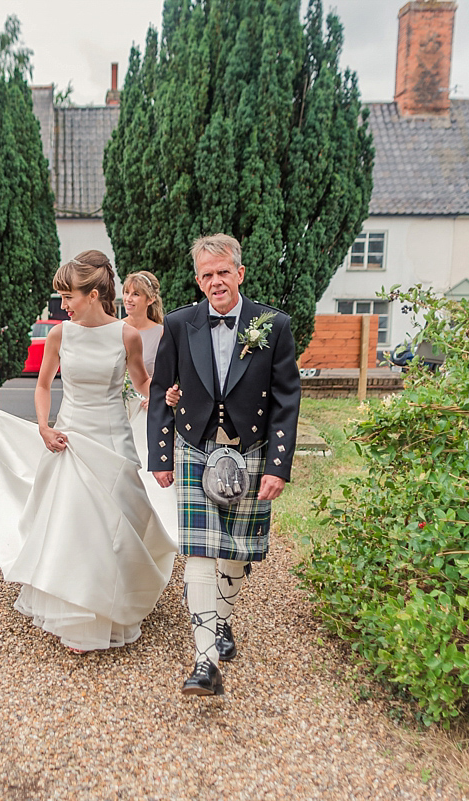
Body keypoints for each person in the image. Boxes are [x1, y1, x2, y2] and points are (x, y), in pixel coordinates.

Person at [0, 252, 176, 653]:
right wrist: (43, 426)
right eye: (62, 296)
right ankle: (79, 608)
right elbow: (42, 385)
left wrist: (166, 393)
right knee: (76, 524)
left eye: (69, 296)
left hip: (111, 438)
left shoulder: (127, 335)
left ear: (94, 294)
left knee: (116, 524)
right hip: (69, 436)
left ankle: (114, 601)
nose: (63, 305)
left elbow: (142, 383)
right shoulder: (59, 335)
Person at [148, 234, 301, 696]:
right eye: (206, 274)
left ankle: (223, 624)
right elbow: (161, 390)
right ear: (198, 280)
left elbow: (285, 398)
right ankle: (204, 661)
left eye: (222, 272)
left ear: (240, 273)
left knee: (235, 552)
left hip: (251, 450)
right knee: (198, 550)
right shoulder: (179, 324)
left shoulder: (273, 325)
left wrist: (277, 464)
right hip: (195, 448)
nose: (215, 281)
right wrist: (160, 454)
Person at [120, 270, 177, 541]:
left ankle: (153, 529)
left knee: (143, 465)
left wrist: (153, 394)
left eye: (136, 294)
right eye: (127, 292)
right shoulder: (116, 328)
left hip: (146, 407)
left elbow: (170, 374)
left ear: (150, 299)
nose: (129, 299)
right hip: (119, 407)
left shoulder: (163, 333)